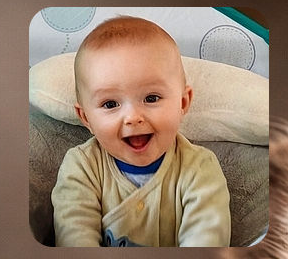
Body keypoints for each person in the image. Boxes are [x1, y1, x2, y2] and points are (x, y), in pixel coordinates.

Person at [51, 16, 231, 247]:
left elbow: (207, 240)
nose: (133, 117)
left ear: (183, 103)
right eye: (110, 104)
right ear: (86, 117)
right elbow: (74, 236)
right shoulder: (82, 166)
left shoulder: (200, 168)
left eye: (151, 98)